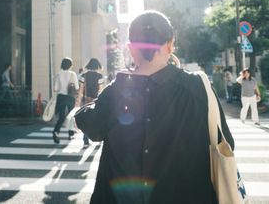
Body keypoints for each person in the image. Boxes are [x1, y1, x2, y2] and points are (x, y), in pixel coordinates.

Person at [75, 11, 234, 203]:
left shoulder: (116, 91)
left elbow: (90, 126)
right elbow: (226, 143)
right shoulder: (198, 87)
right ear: (170, 44)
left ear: (131, 48)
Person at [77, 58, 104, 149]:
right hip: (96, 101)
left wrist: (78, 101)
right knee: (97, 119)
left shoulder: (83, 75)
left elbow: (80, 90)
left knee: (85, 120)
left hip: (85, 100)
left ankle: (85, 141)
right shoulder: (100, 76)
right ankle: (99, 138)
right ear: (97, 66)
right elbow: (101, 90)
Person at [52, 57, 79, 144]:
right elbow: (77, 87)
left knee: (62, 117)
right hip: (70, 97)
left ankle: (56, 131)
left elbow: (55, 88)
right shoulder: (73, 74)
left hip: (61, 97)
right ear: (70, 65)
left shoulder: (58, 74)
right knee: (71, 116)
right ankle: (70, 134)